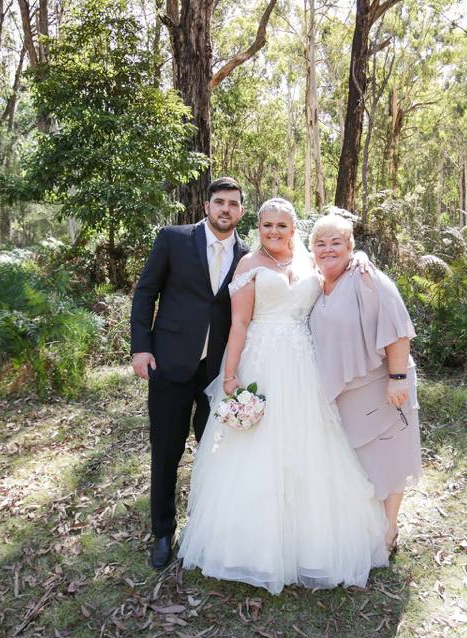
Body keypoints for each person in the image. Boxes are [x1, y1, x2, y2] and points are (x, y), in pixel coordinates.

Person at [177, 198, 388, 594]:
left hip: (304, 362)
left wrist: (357, 259)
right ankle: (253, 545)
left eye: (281, 226)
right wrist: (230, 374)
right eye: (267, 225)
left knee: (309, 443)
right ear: (258, 227)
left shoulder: (309, 260)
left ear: (294, 230)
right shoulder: (248, 266)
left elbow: (334, 282)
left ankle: (310, 541)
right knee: (258, 446)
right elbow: (239, 323)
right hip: (262, 358)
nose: (273, 232)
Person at [130, 177, 248, 569]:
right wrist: (141, 347)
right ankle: (163, 532)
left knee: (215, 454)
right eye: (219, 202)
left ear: (241, 212)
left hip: (218, 373)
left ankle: (207, 527)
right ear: (206, 206)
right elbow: (146, 292)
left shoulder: (248, 257)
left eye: (233, 204)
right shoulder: (173, 239)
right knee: (166, 451)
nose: (225, 209)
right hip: (169, 362)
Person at [308, 211, 422, 552]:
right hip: (343, 394)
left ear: (351, 245)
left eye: (336, 243)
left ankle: (388, 532)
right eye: (320, 243)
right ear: (311, 249)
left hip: (381, 385)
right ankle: (363, 528)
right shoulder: (317, 282)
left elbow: (397, 329)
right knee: (360, 464)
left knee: (389, 459)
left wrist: (398, 378)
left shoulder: (368, 278)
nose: (328, 249)